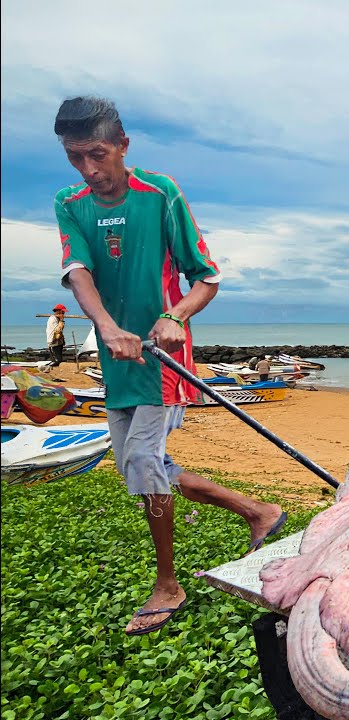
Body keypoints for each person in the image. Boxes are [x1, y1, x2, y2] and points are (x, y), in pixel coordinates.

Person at [52, 95, 288, 636]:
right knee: (138, 466)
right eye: (75, 158)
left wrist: (174, 315)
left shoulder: (160, 193)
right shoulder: (69, 201)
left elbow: (206, 275)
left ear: (123, 147)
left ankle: (168, 585)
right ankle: (256, 510)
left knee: (142, 461)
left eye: (98, 154)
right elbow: (78, 269)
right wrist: (107, 328)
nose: (89, 169)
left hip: (162, 355)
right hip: (116, 356)